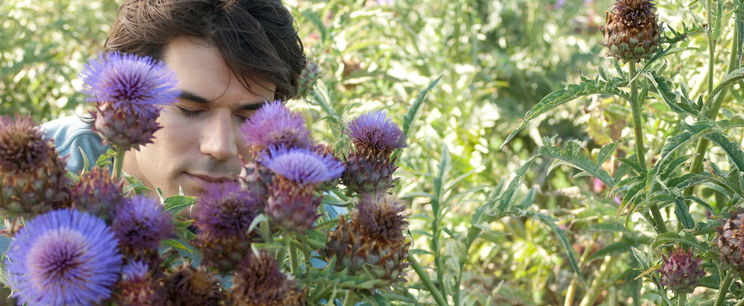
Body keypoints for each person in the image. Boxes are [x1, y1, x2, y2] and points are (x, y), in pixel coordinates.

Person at [42, 0, 337, 209]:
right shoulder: (33, 171)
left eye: (249, 117)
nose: (221, 147)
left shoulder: (308, 233)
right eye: (190, 110)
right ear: (123, 98)